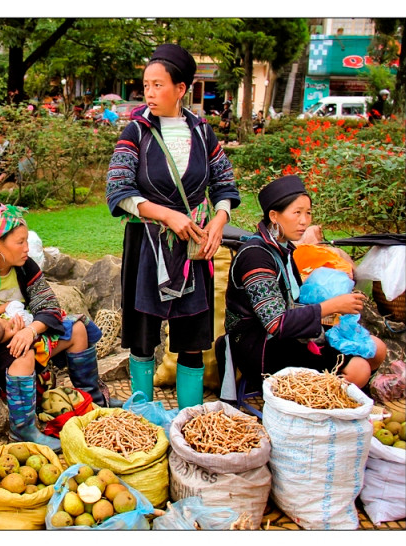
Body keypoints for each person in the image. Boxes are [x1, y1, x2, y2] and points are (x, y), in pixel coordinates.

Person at [106, 43, 240, 409]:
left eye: (158, 85)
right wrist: (167, 215)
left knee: (192, 339)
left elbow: (225, 185)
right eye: (145, 85)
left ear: (181, 88)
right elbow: (118, 190)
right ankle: (142, 417)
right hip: (147, 244)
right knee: (143, 337)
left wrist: (219, 220)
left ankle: (188, 418)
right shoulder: (136, 132)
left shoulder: (202, 133)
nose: (149, 93)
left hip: (194, 247)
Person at [0, 205, 122, 452]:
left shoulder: (25, 267)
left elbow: (49, 306)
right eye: (20, 242)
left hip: (27, 333)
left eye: (26, 241)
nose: (26, 248)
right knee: (24, 353)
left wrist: (30, 331)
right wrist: (2, 332)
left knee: (77, 330)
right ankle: (23, 429)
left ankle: (92, 400)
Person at [223, 175, 387, 389]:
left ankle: (340, 397)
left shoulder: (283, 249)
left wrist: (336, 311)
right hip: (260, 347)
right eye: (297, 213)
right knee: (359, 370)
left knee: (377, 349)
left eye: (308, 213)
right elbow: (276, 323)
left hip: (291, 335)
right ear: (274, 216)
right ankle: (312, 404)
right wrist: (332, 306)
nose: (304, 221)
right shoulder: (256, 256)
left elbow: (292, 304)